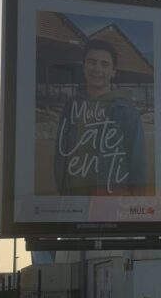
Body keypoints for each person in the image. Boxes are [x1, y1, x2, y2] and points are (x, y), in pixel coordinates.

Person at [54, 40, 147, 195]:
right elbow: (60, 156)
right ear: (83, 66)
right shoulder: (71, 107)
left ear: (113, 71)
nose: (97, 69)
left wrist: (135, 202)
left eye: (104, 64)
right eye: (92, 62)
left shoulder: (128, 112)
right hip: (74, 199)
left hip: (111, 199)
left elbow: (137, 163)